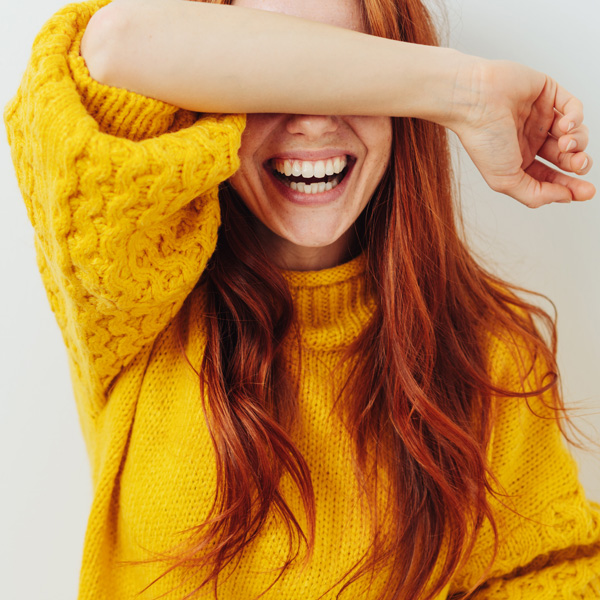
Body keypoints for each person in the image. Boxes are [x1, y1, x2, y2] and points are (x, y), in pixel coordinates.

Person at [4, 0, 600, 598]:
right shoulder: (140, 292)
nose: (314, 123)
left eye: (353, 80)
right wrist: (466, 90)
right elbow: (115, 45)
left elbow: (546, 572)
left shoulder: (486, 352)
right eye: (275, 75)